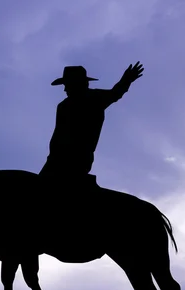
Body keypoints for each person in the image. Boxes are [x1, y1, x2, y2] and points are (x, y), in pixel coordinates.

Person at [39, 62, 144, 194]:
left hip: (76, 160)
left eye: (67, 85)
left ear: (76, 84)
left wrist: (126, 80)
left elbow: (115, 93)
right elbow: (58, 134)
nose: (65, 89)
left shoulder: (94, 99)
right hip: (56, 159)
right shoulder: (63, 105)